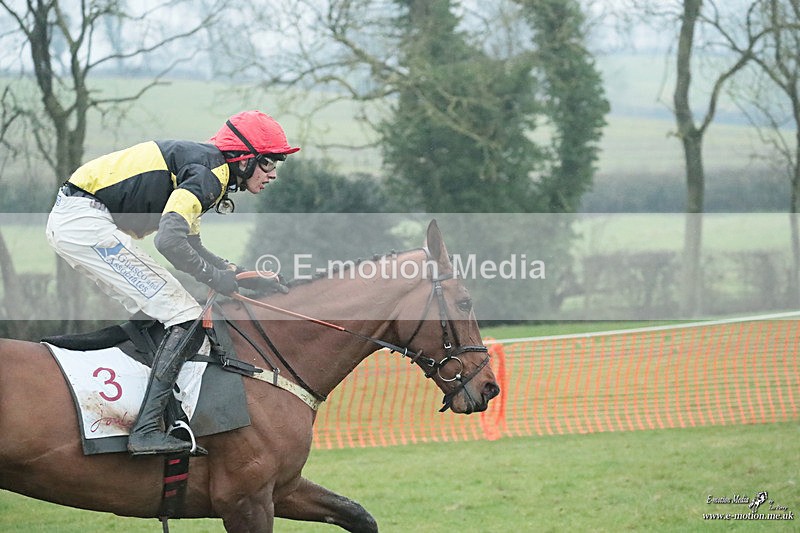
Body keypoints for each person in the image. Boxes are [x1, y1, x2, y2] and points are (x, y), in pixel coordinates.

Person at [46, 110, 299, 456]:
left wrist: (237, 274)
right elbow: (169, 242)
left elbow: (190, 244)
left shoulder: (208, 169)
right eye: (269, 162)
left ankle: (153, 412)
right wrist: (217, 279)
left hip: (82, 221)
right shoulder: (209, 174)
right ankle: (146, 429)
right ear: (243, 159)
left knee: (163, 313)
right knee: (184, 315)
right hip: (86, 223)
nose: (273, 174)